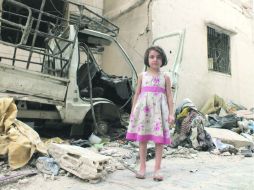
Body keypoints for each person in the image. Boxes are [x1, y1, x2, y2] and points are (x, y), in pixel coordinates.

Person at [126, 46, 174, 181]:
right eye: (152, 57)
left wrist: (171, 114)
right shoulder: (142, 76)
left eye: (158, 57)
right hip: (144, 112)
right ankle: (142, 167)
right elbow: (136, 94)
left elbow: (169, 96)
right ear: (147, 59)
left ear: (162, 60)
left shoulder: (165, 77)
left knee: (159, 141)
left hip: (159, 112)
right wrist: (132, 112)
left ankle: (157, 169)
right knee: (142, 140)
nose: (155, 59)